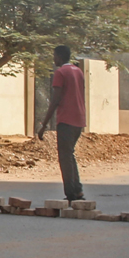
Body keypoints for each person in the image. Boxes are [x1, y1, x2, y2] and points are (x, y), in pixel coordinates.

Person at [38, 45, 87, 202]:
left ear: (59, 56)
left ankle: (71, 194)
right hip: (79, 120)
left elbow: (55, 100)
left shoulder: (60, 72)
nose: (54, 59)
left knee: (64, 157)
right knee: (69, 154)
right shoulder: (78, 71)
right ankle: (77, 190)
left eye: (54, 56)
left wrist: (44, 124)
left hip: (66, 120)